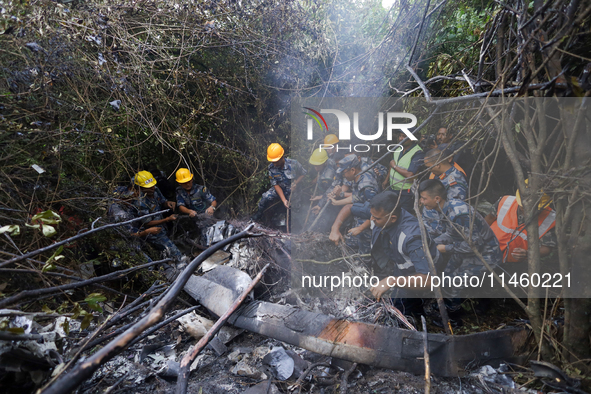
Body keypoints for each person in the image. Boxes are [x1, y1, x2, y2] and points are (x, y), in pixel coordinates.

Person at [419, 179, 501, 285]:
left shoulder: (459, 214)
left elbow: (475, 245)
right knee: (445, 275)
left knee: (449, 284)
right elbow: (451, 233)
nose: (421, 201)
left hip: (486, 254)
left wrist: (445, 248)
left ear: (437, 199)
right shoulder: (444, 208)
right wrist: (431, 243)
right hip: (464, 248)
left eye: (424, 198)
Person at [368, 191, 440, 311]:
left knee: (399, 308)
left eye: (376, 218)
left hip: (418, 272)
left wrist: (392, 281)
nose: (371, 219)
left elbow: (429, 280)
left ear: (393, 218)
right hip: (400, 266)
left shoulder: (412, 237)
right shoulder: (381, 213)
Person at [485, 180, 556, 263]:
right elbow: (488, 220)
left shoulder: (550, 218)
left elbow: (547, 248)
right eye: (523, 207)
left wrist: (527, 253)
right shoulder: (505, 202)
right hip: (487, 252)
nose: (527, 210)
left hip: (515, 263)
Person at [328, 154, 379, 254]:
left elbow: (376, 213)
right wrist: (337, 201)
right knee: (350, 248)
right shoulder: (358, 178)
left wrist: (361, 228)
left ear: (352, 170)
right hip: (359, 219)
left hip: (367, 226)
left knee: (365, 256)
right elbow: (357, 198)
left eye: (344, 173)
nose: (343, 176)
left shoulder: (367, 185)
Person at [131, 170, 183, 261]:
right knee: (175, 253)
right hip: (151, 232)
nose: (152, 188)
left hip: (162, 225)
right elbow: (147, 223)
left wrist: (167, 203)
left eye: (153, 186)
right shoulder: (140, 202)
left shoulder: (155, 189)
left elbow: (162, 201)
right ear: (140, 188)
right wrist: (167, 219)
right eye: (149, 187)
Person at [252, 143, 307, 221]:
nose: (274, 164)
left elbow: (303, 174)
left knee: (295, 210)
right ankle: (259, 213)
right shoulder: (271, 168)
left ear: (282, 157)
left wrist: (296, 182)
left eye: (276, 161)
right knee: (265, 197)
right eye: (272, 161)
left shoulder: (294, 164)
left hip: (294, 191)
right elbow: (275, 185)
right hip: (280, 189)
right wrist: (284, 200)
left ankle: (293, 223)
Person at [385, 129, 424, 212]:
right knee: (392, 213)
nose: (400, 138)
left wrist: (394, 166)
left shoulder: (418, 153)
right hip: (393, 189)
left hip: (406, 193)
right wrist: (386, 180)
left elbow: (410, 175)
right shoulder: (398, 148)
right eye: (400, 136)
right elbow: (392, 164)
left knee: (404, 215)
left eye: (404, 136)